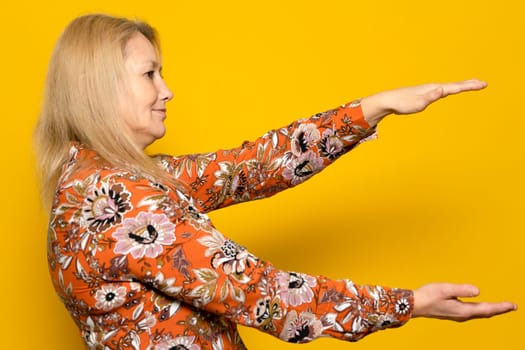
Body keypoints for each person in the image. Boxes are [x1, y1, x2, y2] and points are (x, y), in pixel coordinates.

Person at [34, 14, 516, 350]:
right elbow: (268, 295)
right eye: (150, 74)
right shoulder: (122, 203)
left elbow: (250, 168)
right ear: (100, 87)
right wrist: (409, 304)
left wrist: (373, 107)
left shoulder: (101, 181)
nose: (167, 90)